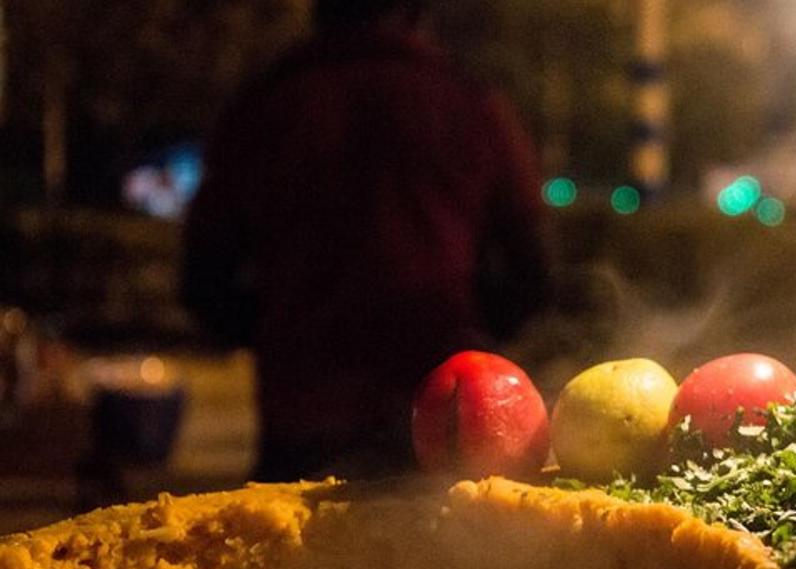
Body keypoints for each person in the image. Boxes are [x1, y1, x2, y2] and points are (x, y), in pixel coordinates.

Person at [183, 0, 551, 481]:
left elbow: (202, 279)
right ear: (415, 14)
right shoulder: (469, 104)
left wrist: (285, 332)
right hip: (444, 423)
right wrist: (471, 339)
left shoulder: (264, 107)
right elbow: (533, 272)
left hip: (301, 420)